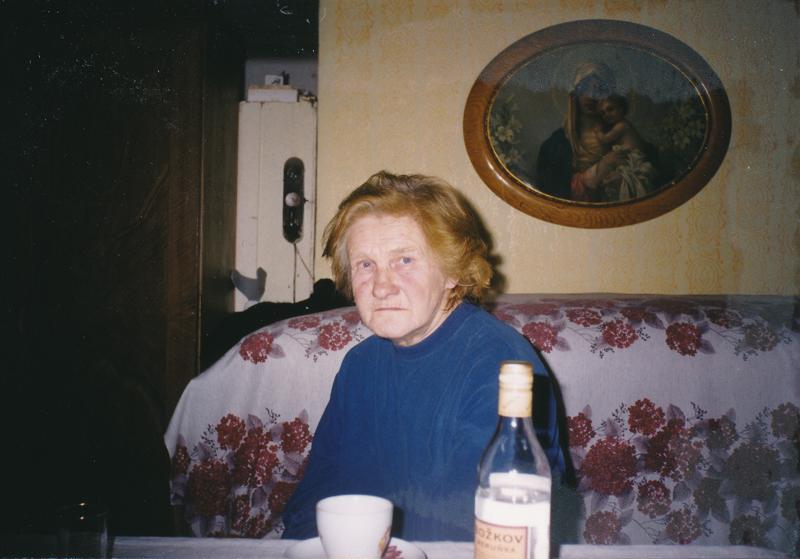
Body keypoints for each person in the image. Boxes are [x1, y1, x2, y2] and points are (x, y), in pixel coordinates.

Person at [281, 171, 565, 541]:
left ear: (452, 272)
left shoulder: (501, 367)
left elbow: (474, 526)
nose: (381, 286)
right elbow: (316, 497)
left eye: (404, 260)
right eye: (365, 264)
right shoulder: (359, 365)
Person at [535, 61, 626, 201]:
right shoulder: (556, 143)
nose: (591, 96)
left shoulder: (621, 135)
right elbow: (550, 192)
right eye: (585, 88)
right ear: (575, 95)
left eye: (599, 89)